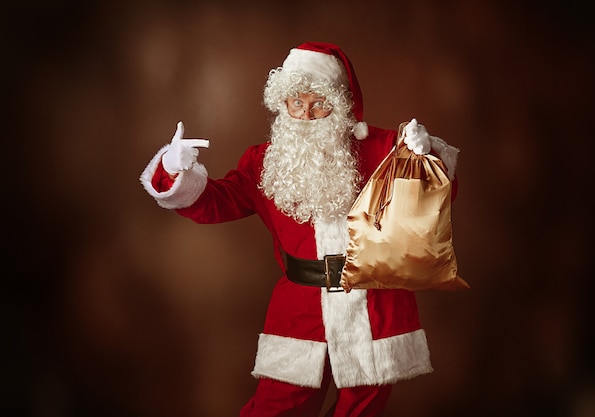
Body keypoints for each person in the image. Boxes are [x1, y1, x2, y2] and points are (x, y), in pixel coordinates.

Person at [140, 42, 460, 417]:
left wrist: (425, 157)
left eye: (319, 103)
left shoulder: (382, 147)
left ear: (339, 104)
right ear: (283, 105)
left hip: (374, 305)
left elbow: (432, 203)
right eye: (296, 103)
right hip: (299, 309)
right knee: (276, 409)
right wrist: (176, 170)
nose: (306, 115)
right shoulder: (264, 162)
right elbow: (216, 202)